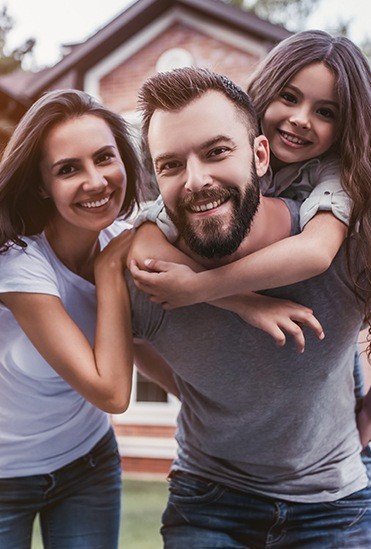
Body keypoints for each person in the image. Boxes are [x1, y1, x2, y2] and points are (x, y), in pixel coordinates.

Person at [128, 67, 371, 547]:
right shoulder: (151, 269)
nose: (196, 181)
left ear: (260, 154)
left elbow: (316, 253)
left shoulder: (343, 231)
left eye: (218, 151)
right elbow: (129, 335)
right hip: (209, 498)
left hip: (334, 502)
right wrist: (195, 389)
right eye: (171, 165)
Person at [0, 89, 176, 549]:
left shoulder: (124, 239)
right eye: (68, 169)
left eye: (104, 158)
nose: (96, 181)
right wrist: (107, 272)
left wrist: (254, 307)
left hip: (87, 464)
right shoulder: (19, 265)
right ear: (41, 184)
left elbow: (137, 341)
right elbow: (112, 392)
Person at [129, 30, 371, 355]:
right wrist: (244, 304)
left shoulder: (336, 173)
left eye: (325, 112)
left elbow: (316, 251)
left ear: (345, 127)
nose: (300, 119)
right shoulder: (223, 152)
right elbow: (145, 243)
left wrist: (199, 287)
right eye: (289, 97)